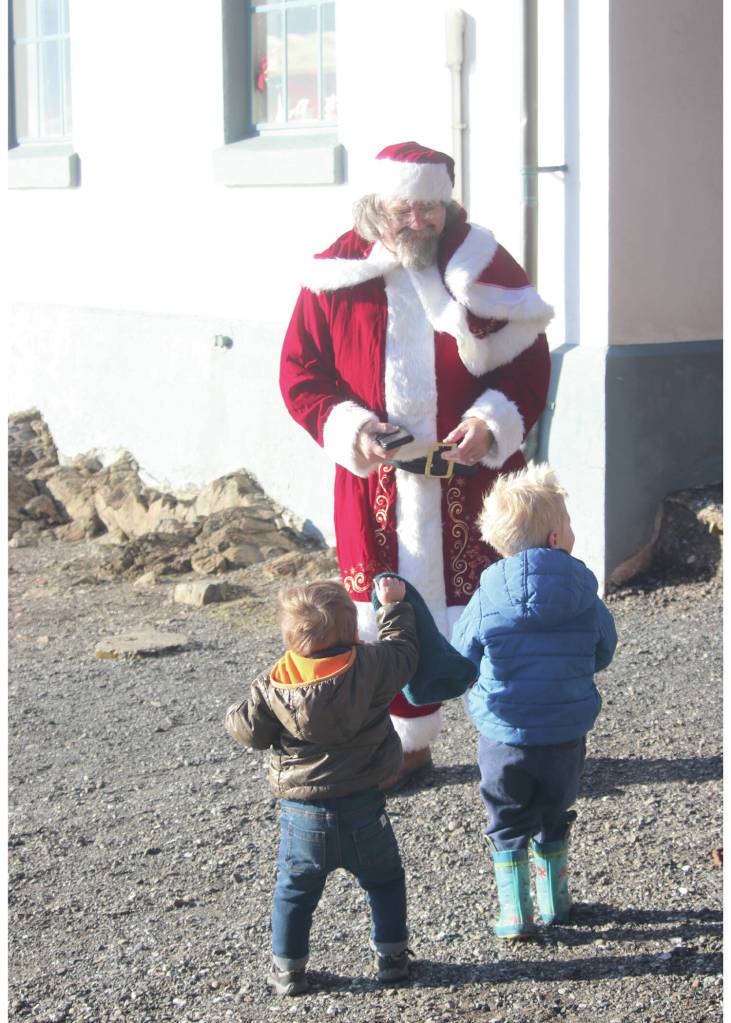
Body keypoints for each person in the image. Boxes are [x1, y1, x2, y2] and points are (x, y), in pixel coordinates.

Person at [280, 140, 553, 783]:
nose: (420, 223)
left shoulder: (483, 261)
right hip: (377, 485)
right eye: (407, 209)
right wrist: (352, 428)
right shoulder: (334, 277)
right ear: (378, 205)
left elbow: (529, 362)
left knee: (496, 608)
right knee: (382, 610)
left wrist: (490, 426)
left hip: (473, 482)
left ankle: (516, 743)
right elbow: (301, 373)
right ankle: (405, 745)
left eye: (432, 210)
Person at [224, 576, 419, 995]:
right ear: (352, 632)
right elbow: (405, 652)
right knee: (384, 881)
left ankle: (287, 970)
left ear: (290, 638)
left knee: (294, 892)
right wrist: (393, 608)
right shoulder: (371, 665)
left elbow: (247, 732)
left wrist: (240, 707)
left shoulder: (274, 682)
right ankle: (393, 958)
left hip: (303, 817)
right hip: (366, 806)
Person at [451, 464, 617, 939]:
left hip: (503, 733)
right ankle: (555, 902)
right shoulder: (584, 593)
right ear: (554, 538)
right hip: (565, 733)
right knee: (554, 814)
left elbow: (464, 654)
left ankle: (515, 913)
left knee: (505, 821)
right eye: (567, 524)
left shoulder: (487, 595)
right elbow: (604, 648)